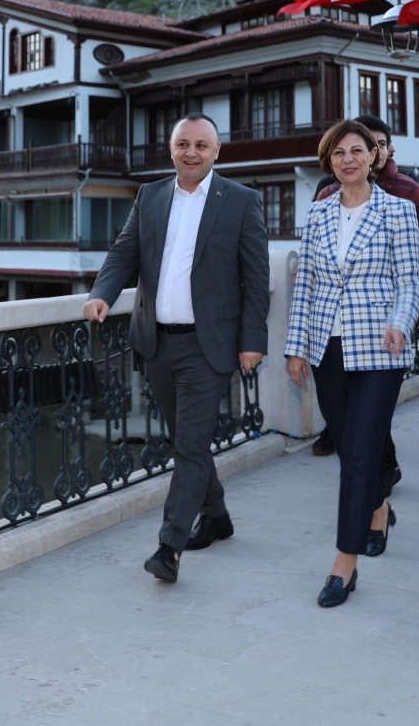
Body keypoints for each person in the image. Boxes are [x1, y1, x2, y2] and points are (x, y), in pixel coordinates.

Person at [85, 114, 270, 582]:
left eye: (201, 145)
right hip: (156, 342)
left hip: (209, 346)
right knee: (185, 441)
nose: (191, 152)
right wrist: (102, 293)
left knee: (188, 444)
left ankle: (169, 547)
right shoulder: (149, 196)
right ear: (171, 149)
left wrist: (253, 340)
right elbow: (124, 252)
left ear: (216, 152)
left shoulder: (241, 200)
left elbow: (256, 279)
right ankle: (217, 514)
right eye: (183, 144)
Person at [285, 120, 419, 608]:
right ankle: (378, 506)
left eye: (357, 150)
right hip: (328, 347)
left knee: (361, 453)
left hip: (381, 349)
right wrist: (295, 347)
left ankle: (344, 563)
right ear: (329, 161)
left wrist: (401, 323)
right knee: (349, 449)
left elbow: (410, 281)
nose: (348, 159)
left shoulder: (398, 210)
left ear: (373, 157)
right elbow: (305, 284)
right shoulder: (318, 212)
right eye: (339, 152)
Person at [315, 114, 419, 485]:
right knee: (354, 417)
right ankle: (376, 478)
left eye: (372, 146)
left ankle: (378, 479)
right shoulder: (326, 196)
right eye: (343, 151)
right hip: (336, 329)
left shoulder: (408, 194)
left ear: (382, 150)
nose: (353, 157)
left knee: (371, 413)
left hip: (387, 322)